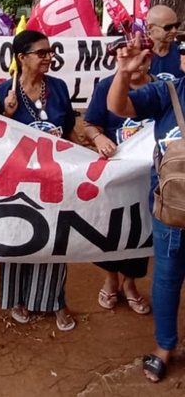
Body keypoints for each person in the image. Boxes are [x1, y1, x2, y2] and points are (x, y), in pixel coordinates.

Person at [107, 33, 185, 383]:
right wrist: (124, 73)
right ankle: (165, 346)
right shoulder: (168, 92)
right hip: (173, 210)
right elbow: (118, 108)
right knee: (167, 278)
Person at [0, 30, 77, 331]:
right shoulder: (5, 90)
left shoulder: (58, 88)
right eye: (41, 53)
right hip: (17, 182)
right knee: (17, 236)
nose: (48, 57)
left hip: (55, 178)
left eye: (50, 51)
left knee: (56, 238)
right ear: (21, 58)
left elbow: (69, 132)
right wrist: (6, 111)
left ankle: (55, 300)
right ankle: (18, 298)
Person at [83, 38, 154, 316]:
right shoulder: (106, 86)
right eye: (128, 57)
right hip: (116, 175)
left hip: (150, 178)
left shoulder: (162, 86)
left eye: (142, 56)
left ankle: (130, 284)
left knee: (141, 231)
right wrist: (99, 137)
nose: (137, 62)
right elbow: (90, 124)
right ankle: (110, 279)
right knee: (112, 230)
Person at [146, 5, 182, 81]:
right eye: (168, 27)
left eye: (176, 26)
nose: (174, 31)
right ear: (150, 28)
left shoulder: (182, 52)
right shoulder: (139, 56)